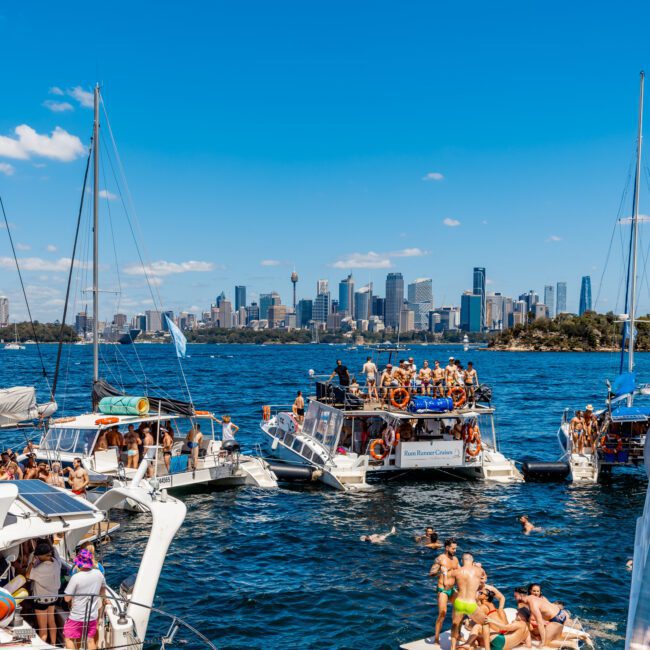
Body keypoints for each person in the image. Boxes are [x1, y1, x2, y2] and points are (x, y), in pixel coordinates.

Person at [64, 549, 106, 649]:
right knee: (90, 640)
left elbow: (66, 598)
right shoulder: (99, 574)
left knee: (68, 638)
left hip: (77, 616)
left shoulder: (76, 577)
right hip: (92, 615)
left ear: (79, 563)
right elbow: (103, 592)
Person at [449, 553, 489, 650]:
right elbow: (484, 580)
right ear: (472, 560)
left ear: (462, 561)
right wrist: (479, 566)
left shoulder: (456, 572)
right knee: (485, 623)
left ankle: (452, 647)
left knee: (455, 625)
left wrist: (445, 573)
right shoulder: (479, 570)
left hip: (459, 602)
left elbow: (448, 585)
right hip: (471, 604)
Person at [26, 541, 62, 644]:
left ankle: (43, 647)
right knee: (52, 622)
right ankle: (53, 644)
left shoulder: (40, 569)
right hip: (54, 598)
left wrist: (32, 562)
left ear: (42, 556)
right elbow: (55, 551)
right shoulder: (56, 563)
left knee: (43, 628)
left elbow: (27, 575)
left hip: (41, 600)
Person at [428, 538, 460, 646]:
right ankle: (436, 639)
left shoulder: (455, 559)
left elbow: (460, 572)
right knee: (442, 613)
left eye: (455, 548)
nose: (455, 550)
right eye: (453, 548)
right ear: (447, 548)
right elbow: (431, 573)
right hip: (443, 590)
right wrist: (440, 572)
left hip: (452, 589)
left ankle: (457, 634)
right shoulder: (440, 559)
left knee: (459, 611)